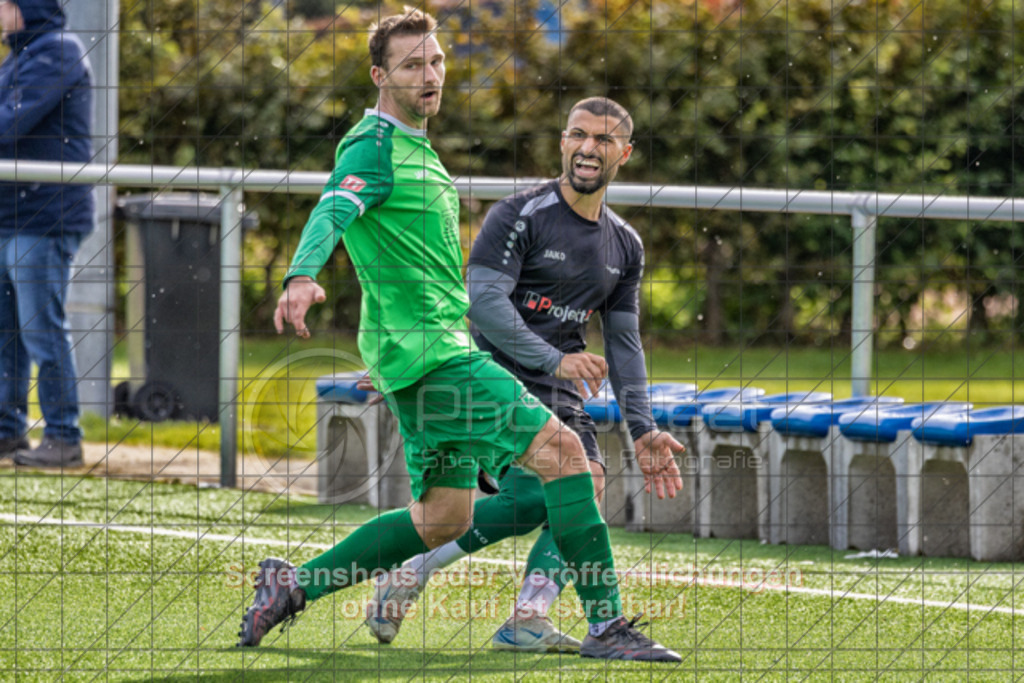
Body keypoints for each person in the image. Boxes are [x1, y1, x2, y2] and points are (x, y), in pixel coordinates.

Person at [238, 8, 682, 663]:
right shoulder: (376, 146)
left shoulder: (417, 149)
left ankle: (293, 585)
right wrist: (302, 273)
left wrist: (393, 354)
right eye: (414, 64)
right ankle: (606, 623)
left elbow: (413, 269)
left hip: (425, 357)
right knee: (566, 455)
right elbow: (335, 204)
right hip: (436, 361)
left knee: (446, 518)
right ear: (379, 74)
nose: (431, 74)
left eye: (437, 61)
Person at [364, 97, 686, 654]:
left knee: (542, 500)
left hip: (555, 388)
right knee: (572, 480)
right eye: (579, 136)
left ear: (624, 154)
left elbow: (625, 342)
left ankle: (508, 611)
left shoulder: (625, 244)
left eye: (604, 140)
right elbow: (483, 302)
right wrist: (552, 359)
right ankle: (438, 580)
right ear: (562, 142)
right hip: (486, 373)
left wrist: (643, 428)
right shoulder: (519, 213)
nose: (589, 149)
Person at [0, 0, 94, 468]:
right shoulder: (20, 55)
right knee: (6, 333)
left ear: (26, 7)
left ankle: (64, 435)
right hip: (11, 216)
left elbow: (9, 124)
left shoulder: (57, 51)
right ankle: (7, 432)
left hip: (44, 216)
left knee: (41, 331)